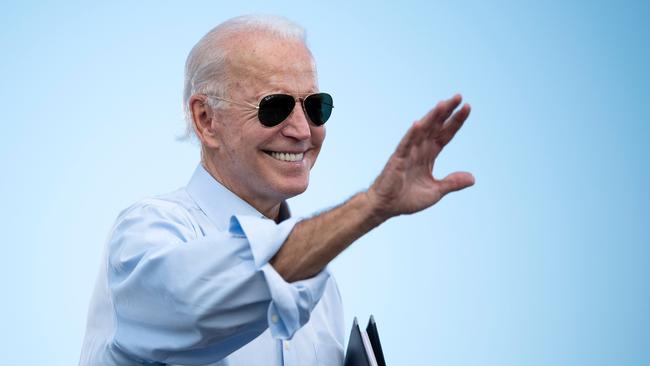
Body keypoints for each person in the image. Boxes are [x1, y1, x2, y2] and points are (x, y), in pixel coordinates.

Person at [79, 14, 474, 366]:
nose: (302, 131)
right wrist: (371, 206)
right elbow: (196, 307)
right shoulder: (150, 231)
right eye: (275, 106)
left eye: (315, 106)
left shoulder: (322, 287)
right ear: (206, 119)